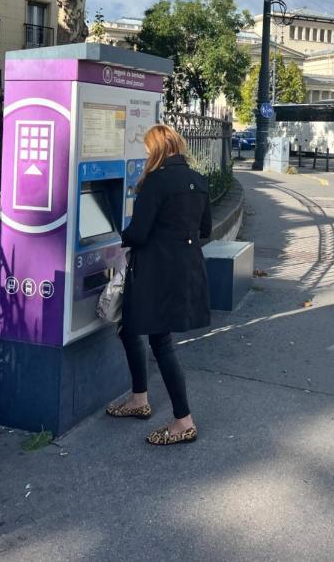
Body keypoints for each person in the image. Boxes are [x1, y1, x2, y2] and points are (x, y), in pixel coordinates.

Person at [106, 124, 212, 446]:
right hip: (185, 269)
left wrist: (115, 238)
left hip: (155, 271)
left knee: (159, 340)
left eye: (148, 150)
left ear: (156, 150)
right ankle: (140, 399)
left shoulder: (156, 181)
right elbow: (205, 229)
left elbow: (138, 233)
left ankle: (183, 421)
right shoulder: (198, 180)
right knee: (132, 328)